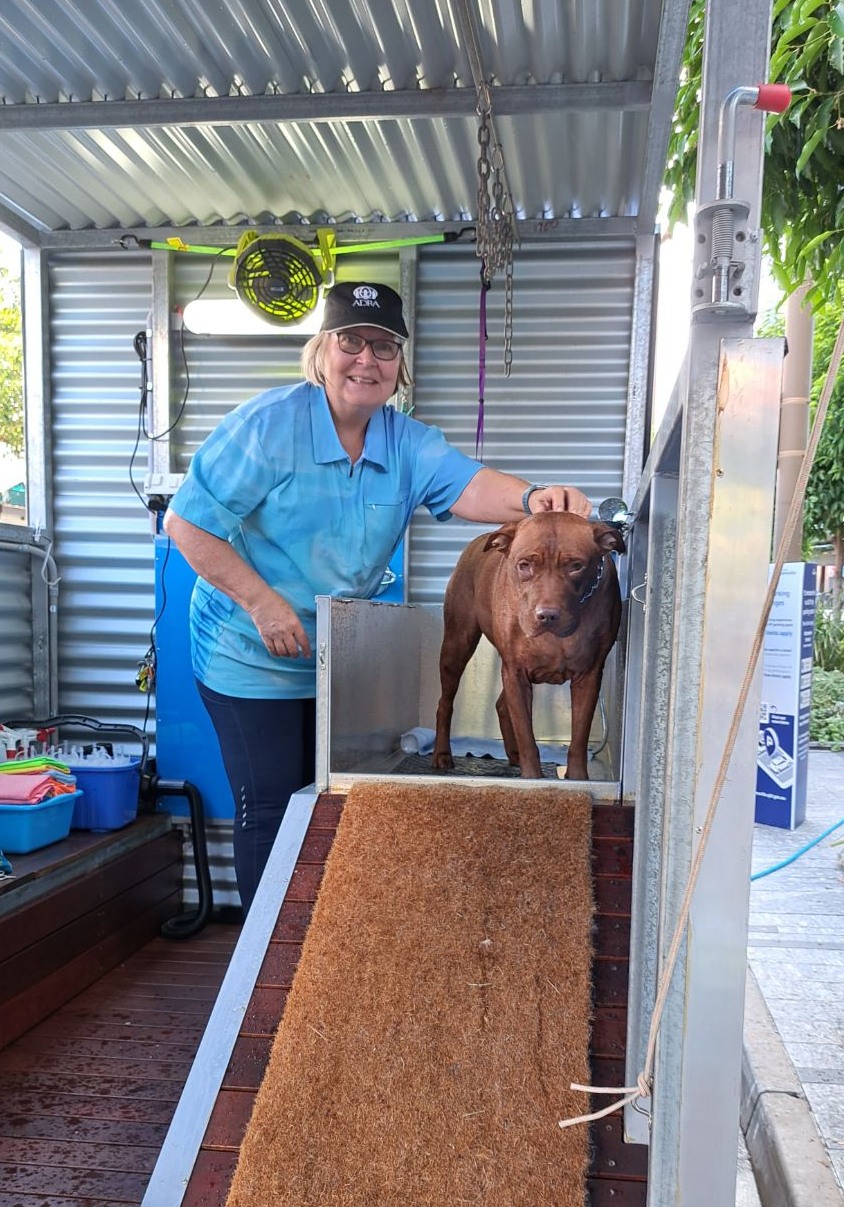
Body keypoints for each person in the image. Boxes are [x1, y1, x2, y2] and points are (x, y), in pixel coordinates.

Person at [164, 280, 591, 913]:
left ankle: (313, 933)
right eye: (352, 341)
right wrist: (261, 602)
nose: (367, 359)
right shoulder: (268, 425)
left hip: (333, 660)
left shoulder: (406, 443)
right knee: (272, 803)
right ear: (322, 351)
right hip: (247, 656)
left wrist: (535, 499)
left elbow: (472, 486)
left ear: (399, 366)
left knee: (332, 798)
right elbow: (186, 524)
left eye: (385, 347)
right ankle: (261, 962)